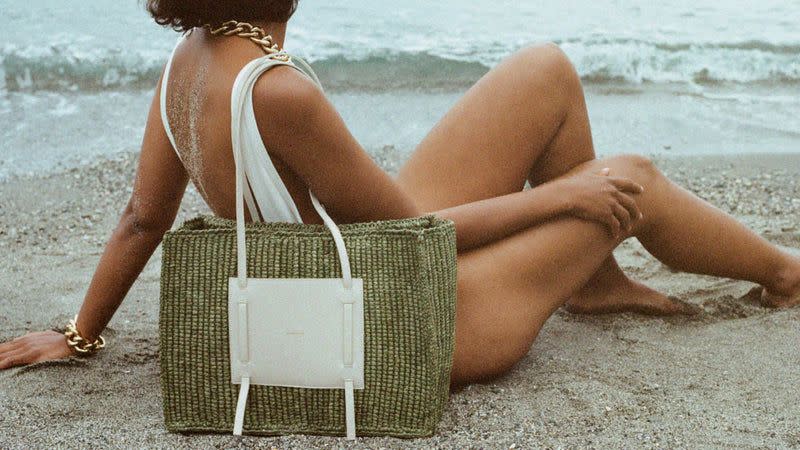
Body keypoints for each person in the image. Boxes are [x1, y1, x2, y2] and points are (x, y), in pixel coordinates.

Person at [1, 0, 798, 387]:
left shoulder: (190, 62)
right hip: (398, 322)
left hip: (355, 266)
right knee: (631, 182)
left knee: (544, 68)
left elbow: (144, 216)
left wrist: (79, 333)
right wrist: (569, 197)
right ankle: (787, 273)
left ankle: (593, 281)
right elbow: (412, 240)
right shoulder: (277, 91)